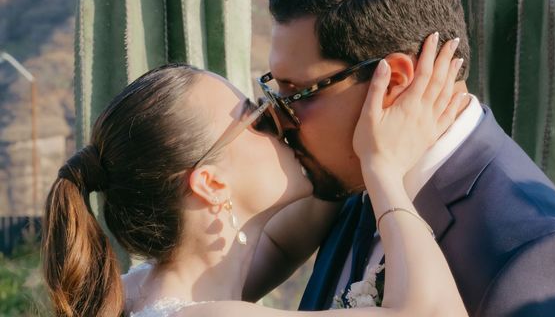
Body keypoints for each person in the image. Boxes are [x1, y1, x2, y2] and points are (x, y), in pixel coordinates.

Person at [244, 0, 555, 316]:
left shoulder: (540, 250)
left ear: (393, 82)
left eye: (298, 93)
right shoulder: (352, 176)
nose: (277, 119)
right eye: (274, 89)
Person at [41, 37, 469, 316]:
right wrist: (382, 167)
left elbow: (280, 246)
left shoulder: (130, 293)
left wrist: (341, 155)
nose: (281, 122)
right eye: (257, 120)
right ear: (210, 183)